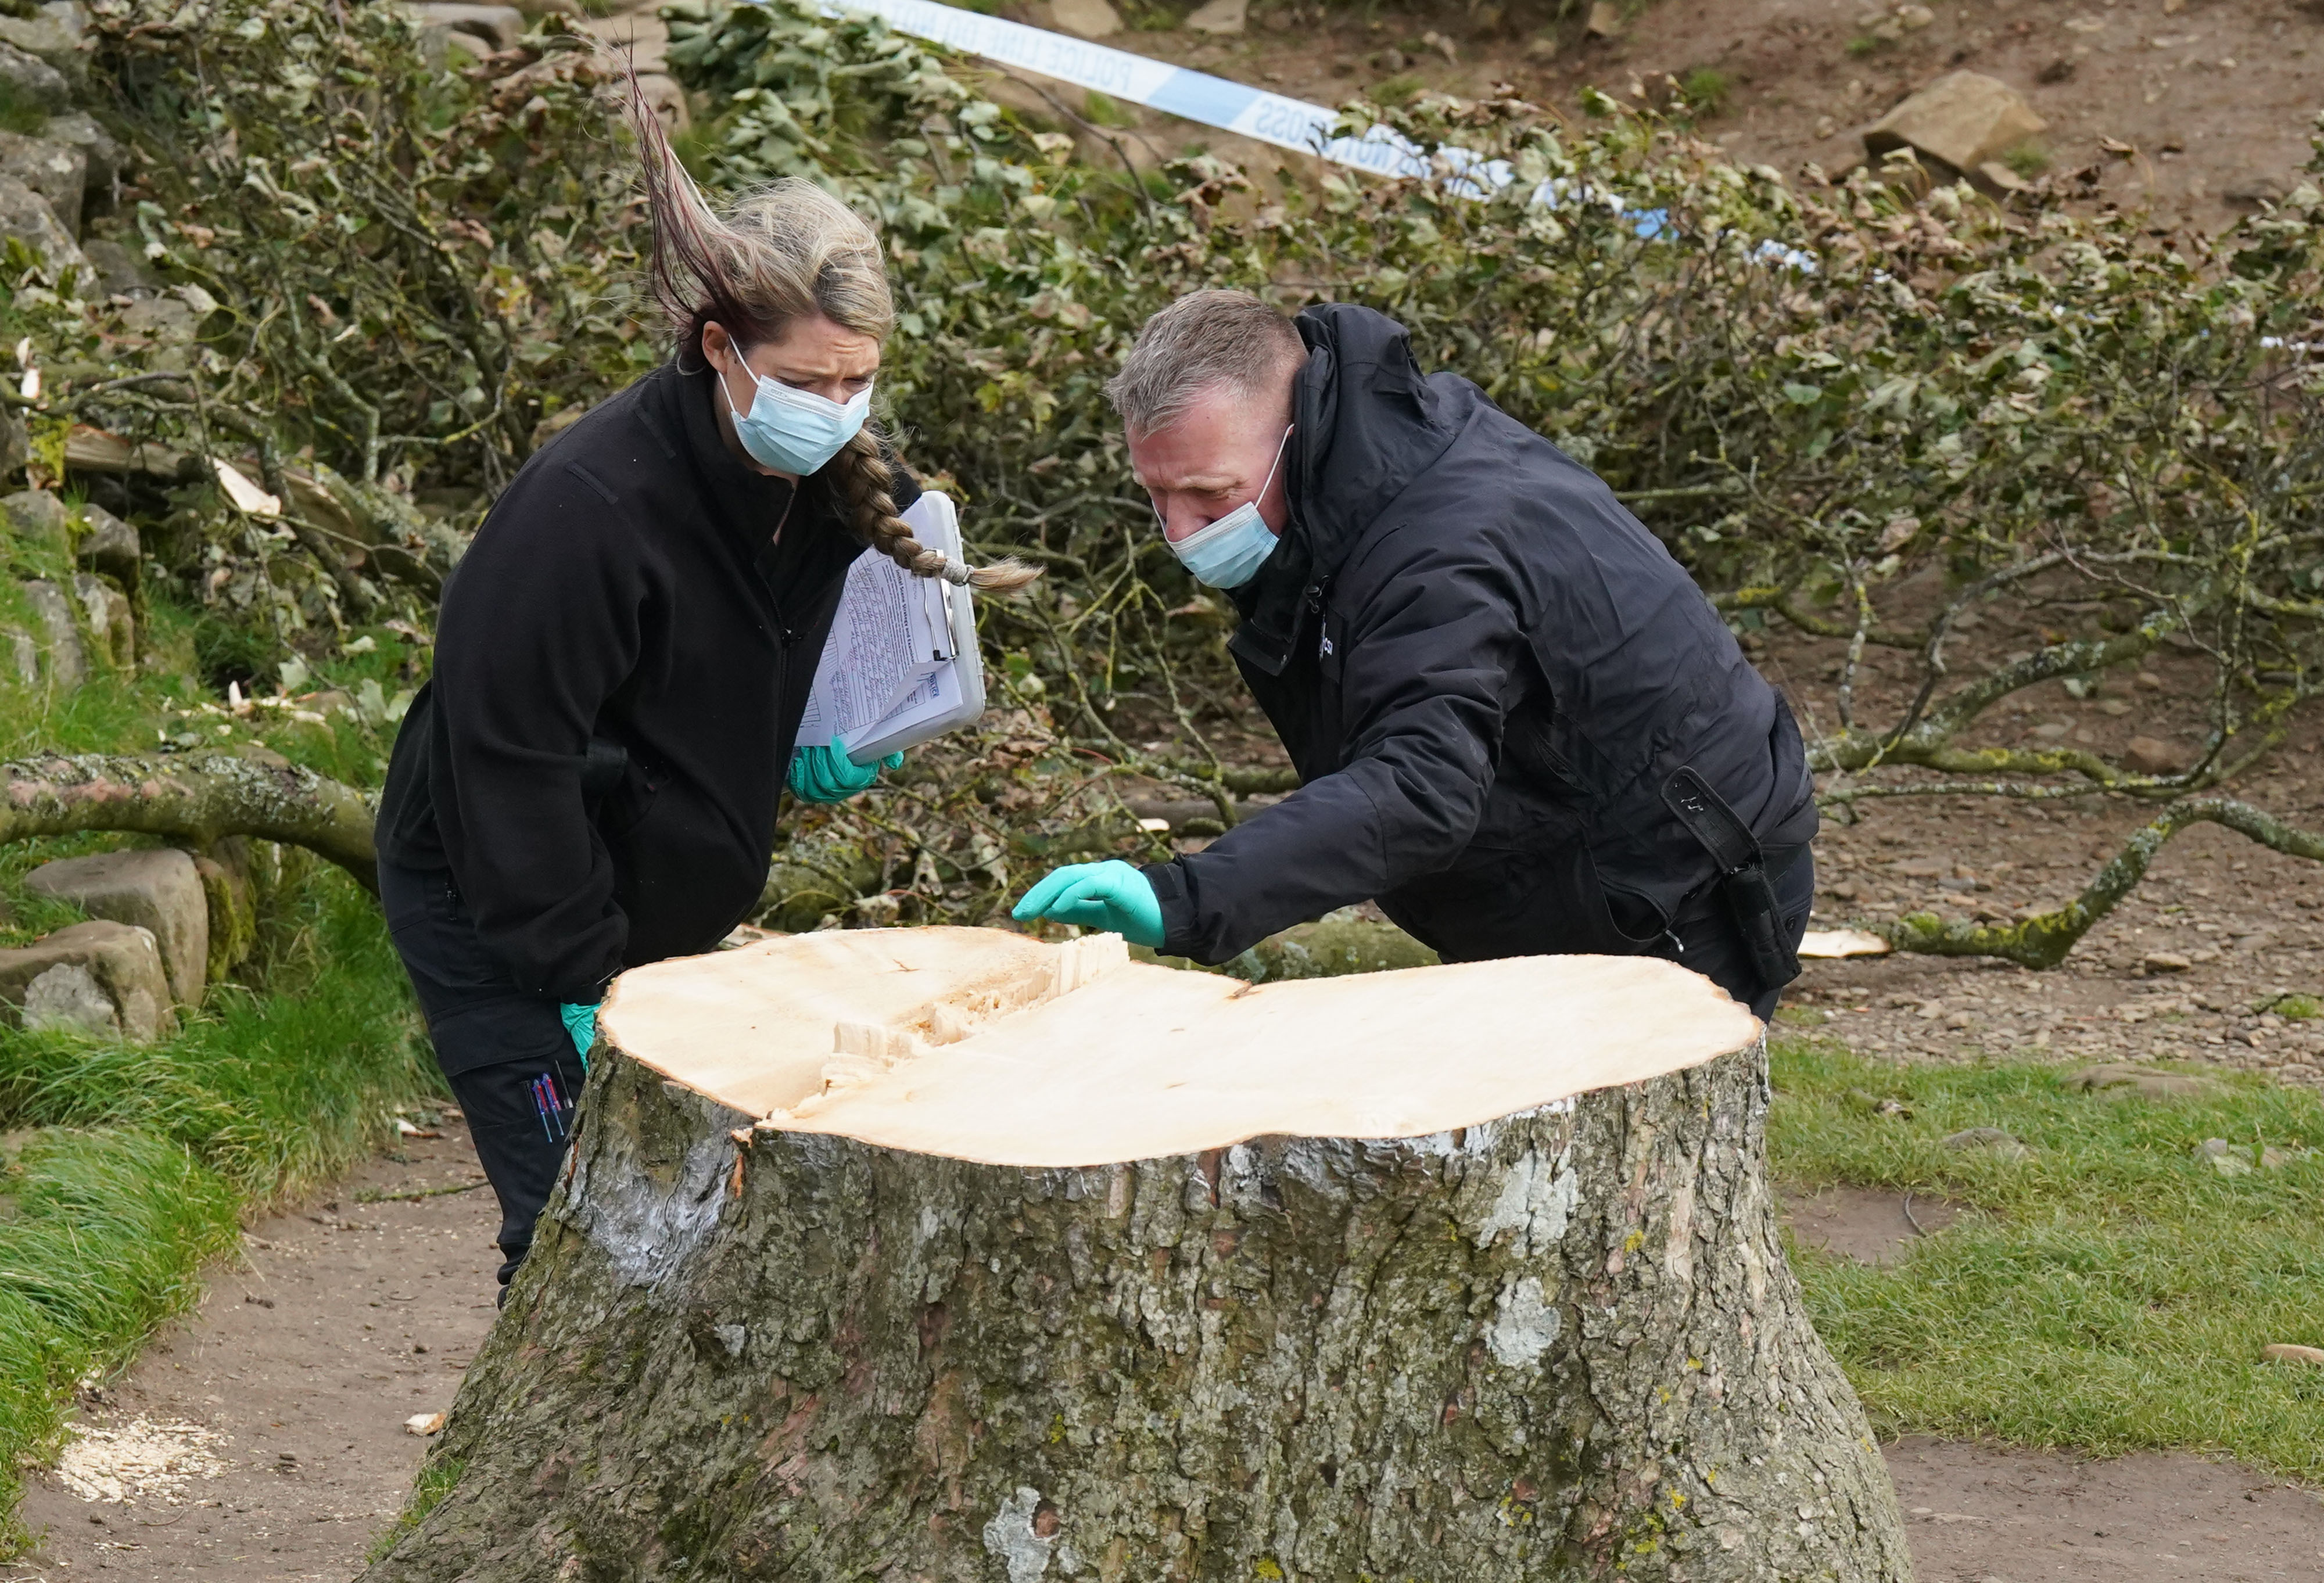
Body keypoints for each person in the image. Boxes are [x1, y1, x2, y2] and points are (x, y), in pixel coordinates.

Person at [374, 105, 1035, 1296]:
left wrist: (829, 729)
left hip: (653, 877)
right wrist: (580, 984)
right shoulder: (585, 514)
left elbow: (798, 635)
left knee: (691, 1212)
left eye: (858, 381)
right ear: (718, 346)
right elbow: (509, 765)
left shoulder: (818, 472)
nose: (834, 409)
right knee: (577, 1228)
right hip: (502, 893)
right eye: (804, 379)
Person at [1015, 290, 1815, 1020]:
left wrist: (1190, 894)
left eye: (1211, 495)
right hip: (1561, 858)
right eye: (1157, 497)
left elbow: (1422, 786)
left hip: (1682, 889)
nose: (1182, 532)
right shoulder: (1368, 454)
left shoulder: (1439, 551)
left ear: (1294, 431)